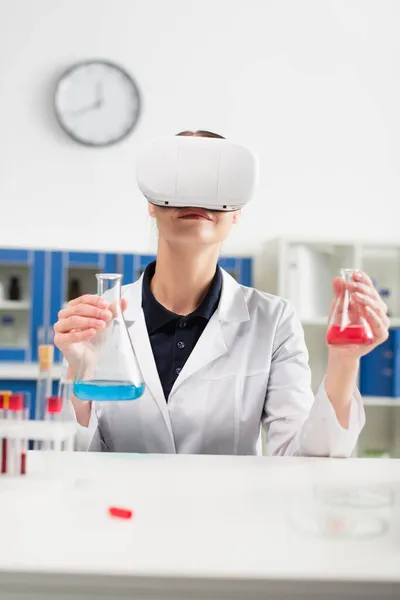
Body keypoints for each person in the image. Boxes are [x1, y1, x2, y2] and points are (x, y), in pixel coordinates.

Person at [54, 130, 389, 456]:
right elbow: (75, 460)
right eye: (181, 181)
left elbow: (301, 460)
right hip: (119, 510)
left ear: (238, 211)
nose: (197, 197)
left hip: (230, 512)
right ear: (151, 204)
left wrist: (345, 363)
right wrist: (81, 373)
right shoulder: (100, 315)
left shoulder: (272, 321)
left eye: (215, 182)